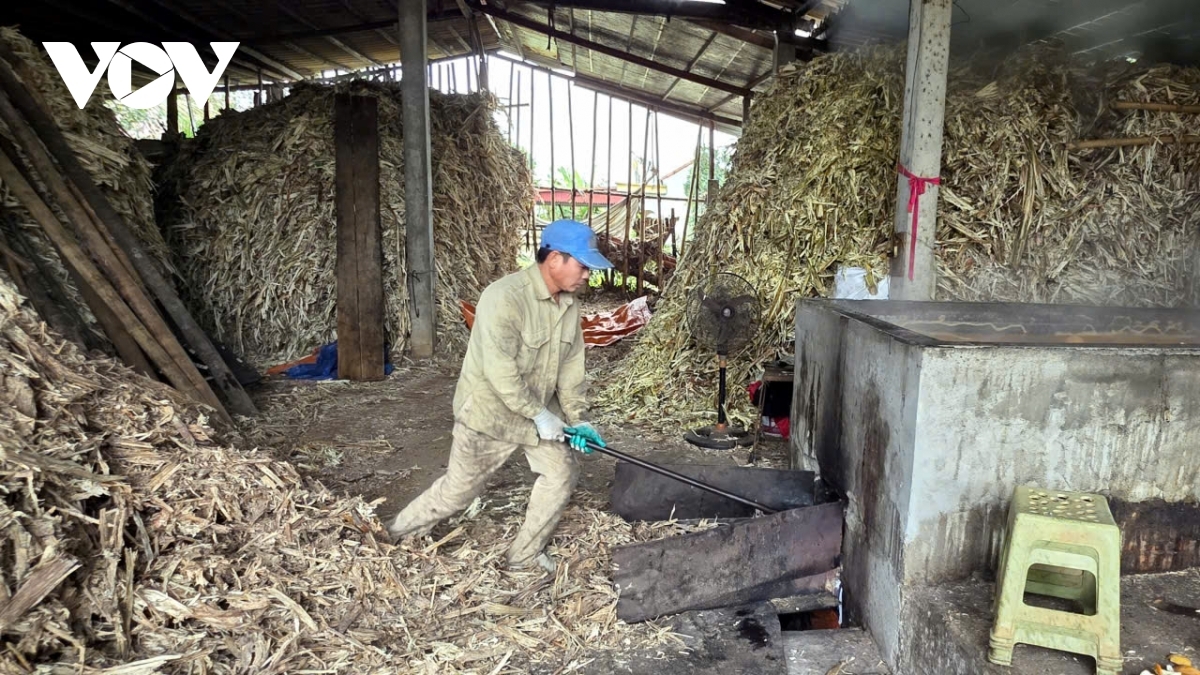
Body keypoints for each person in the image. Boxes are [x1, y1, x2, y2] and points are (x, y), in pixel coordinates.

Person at [387, 219, 613, 572]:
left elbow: (571, 370)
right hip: (490, 412)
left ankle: (523, 556)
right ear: (555, 258)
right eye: (583, 266)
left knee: (560, 473)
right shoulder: (504, 297)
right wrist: (539, 415)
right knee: (457, 493)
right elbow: (500, 371)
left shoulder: (569, 306)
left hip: (539, 412)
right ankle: (393, 537)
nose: (588, 275)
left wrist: (578, 417)